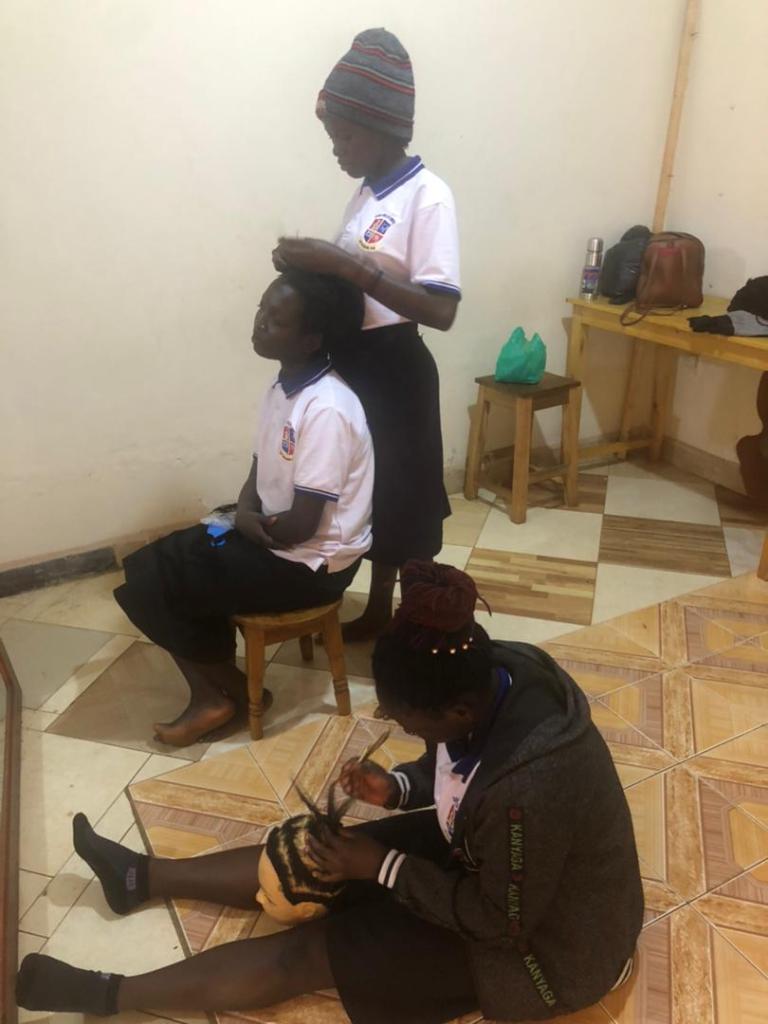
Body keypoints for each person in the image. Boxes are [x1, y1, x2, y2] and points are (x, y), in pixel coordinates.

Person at [18, 562, 643, 1024]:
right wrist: (398, 786)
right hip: (495, 858)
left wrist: (385, 867)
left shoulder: (529, 790)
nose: (400, 728)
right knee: (317, 852)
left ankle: (107, 995)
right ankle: (140, 878)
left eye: (408, 722)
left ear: (455, 708)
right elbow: (460, 759)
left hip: (546, 945)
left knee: (312, 951)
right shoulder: (490, 674)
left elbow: (499, 921)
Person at [112, 269, 373, 746]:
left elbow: (302, 525)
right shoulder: (282, 387)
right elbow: (258, 467)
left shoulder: (328, 408)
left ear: (311, 339)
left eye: (277, 320)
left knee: (161, 581)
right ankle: (226, 688)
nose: (260, 323)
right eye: (261, 310)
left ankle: (217, 697)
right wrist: (245, 512)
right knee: (155, 563)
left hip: (310, 563)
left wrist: (247, 526)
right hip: (274, 535)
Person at [273, 28, 461, 641]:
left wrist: (345, 264)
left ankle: (417, 620)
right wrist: (308, 267)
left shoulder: (428, 197)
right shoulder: (367, 195)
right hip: (355, 362)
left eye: (345, 136)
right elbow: (352, 285)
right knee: (370, 489)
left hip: (396, 368)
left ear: (382, 130)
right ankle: (379, 609)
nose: (336, 149)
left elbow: (440, 310)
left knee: (405, 496)